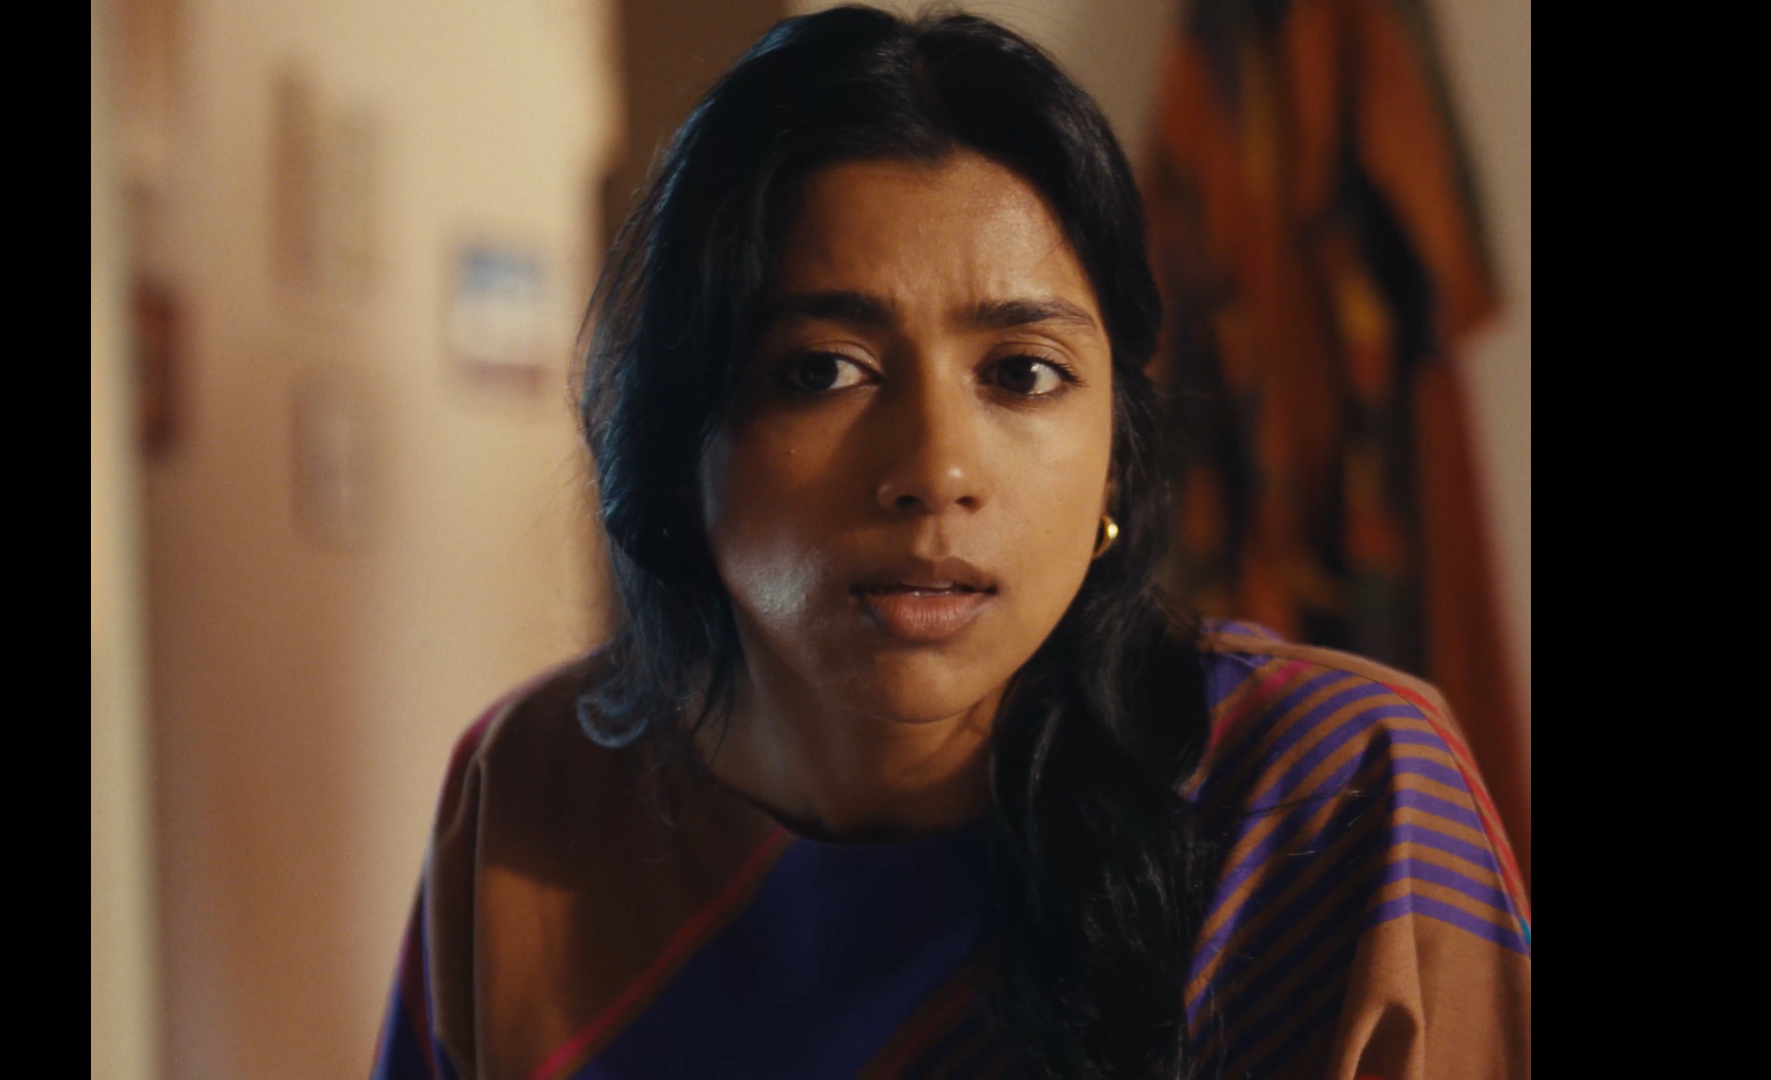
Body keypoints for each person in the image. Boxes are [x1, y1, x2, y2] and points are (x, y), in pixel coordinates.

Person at [371, 7, 1530, 1079]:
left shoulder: (1332, 797)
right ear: (680, 440)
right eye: (821, 370)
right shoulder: (534, 799)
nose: (936, 470)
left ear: (1115, 453)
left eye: (1023, 373)